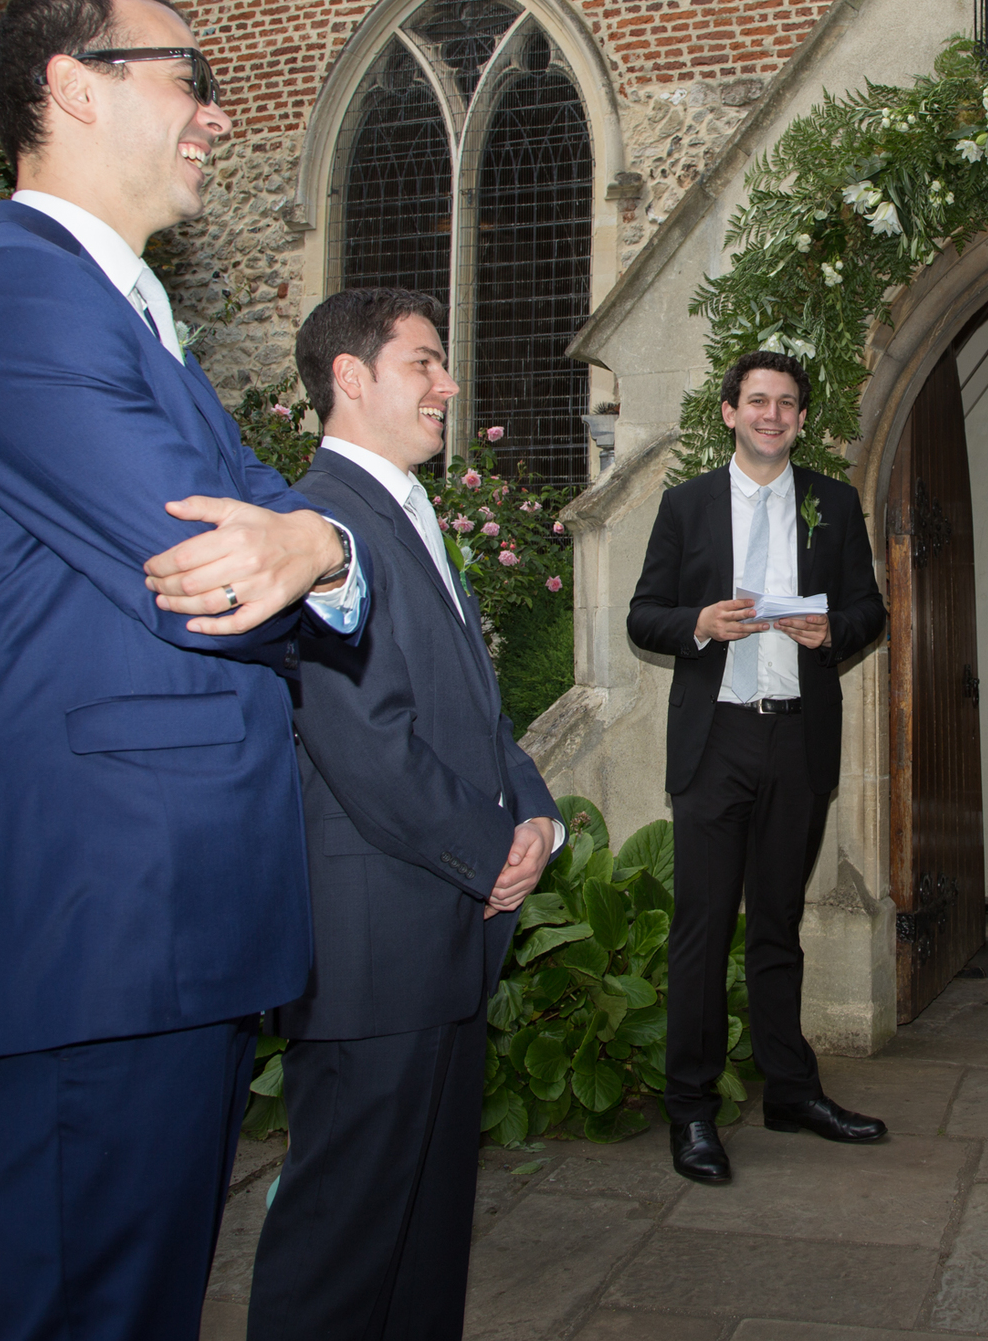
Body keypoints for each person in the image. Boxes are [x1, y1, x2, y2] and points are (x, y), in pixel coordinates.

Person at [0, 0, 369, 1341]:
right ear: (73, 86)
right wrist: (309, 546)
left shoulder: (120, 314)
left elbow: (299, 521)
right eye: (185, 74)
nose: (215, 111)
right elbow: (209, 569)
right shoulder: (15, 302)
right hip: (102, 917)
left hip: (165, 921)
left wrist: (317, 545)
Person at [247, 288, 560, 1341]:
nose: (448, 384)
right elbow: (364, 737)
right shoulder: (320, 523)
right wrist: (489, 851)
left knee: (424, 1238)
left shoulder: (410, 514)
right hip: (373, 944)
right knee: (340, 1248)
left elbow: (472, 710)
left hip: (439, 936)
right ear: (351, 376)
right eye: (424, 363)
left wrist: (536, 816)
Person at [625, 350, 891, 1183]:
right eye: (757, 401)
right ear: (731, 414)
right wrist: (699, 623)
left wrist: (833, 633)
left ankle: (789, 1090)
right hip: (716, 743)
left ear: (802, 420)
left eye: (786, 404)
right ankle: (692, 1112)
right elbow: (643, 616)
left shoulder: (834, 504)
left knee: (778, 923)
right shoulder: (687, 505)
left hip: (797, 735)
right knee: (703, 931)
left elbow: (868, 609)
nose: (772, 415)